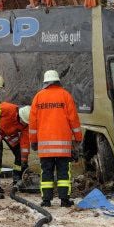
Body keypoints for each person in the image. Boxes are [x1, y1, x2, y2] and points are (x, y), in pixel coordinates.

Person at [29, 70, 83, 207]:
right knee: (63, 173)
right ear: (58, 81)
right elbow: (73, 119)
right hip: (63, 146)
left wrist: (33, 141)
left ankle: (46, 200)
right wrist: (78, 137)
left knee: (46, 172)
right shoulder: (65, 95)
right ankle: (64, 200)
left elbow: (33, 123)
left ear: (45, 82)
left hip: (45, 146)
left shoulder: (38, 97)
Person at [0, 103, 31, 185]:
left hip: (10, 134)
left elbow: (25, 143)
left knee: (19, 153)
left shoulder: (26, 126)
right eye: (23, 122)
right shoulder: (7, 108)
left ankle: (17, 177)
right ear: (19, 116)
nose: (24, 124)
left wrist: (24, 161)